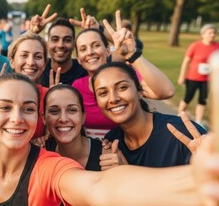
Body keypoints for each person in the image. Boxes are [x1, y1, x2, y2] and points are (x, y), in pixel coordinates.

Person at [0, 73, 219, 206]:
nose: (17, 118)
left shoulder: (48, 169)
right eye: (5, 107)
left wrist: (207, 179)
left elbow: (101, 187)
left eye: (28, 108)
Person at [92, 62, 219, 206]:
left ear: (139, 90)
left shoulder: (181, 134)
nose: (113, 98)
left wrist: (211, 167)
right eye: (103, 93)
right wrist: (122, 177)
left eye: (122, 87)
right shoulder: (112, 144)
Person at [43, 84, 148, 206]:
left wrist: (125, 177)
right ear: (44, 118)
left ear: (83, 116)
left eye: (72, 110)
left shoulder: (108, 158)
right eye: (54, 111)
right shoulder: (43, 152)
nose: (63, 118)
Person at [72, 10, 175, 139]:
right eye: (83, 49)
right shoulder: (77, 87)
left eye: (96, 45)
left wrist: (132, 55)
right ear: (79, 59)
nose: (90, 52)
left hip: (130, 151)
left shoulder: (125, 76)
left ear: (108, 50)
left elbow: (166, 91)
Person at [177, 24, 219, 125]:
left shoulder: (217, 47)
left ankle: (199, 122)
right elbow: (186, 61)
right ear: (203, 34)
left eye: (214, 33)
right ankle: (179, 116)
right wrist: (181, 76)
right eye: (209, 33)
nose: (212, 35)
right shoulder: (195, 45)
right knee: (188, 97)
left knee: (203, 99)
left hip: (208, 79)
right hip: (193, 77)